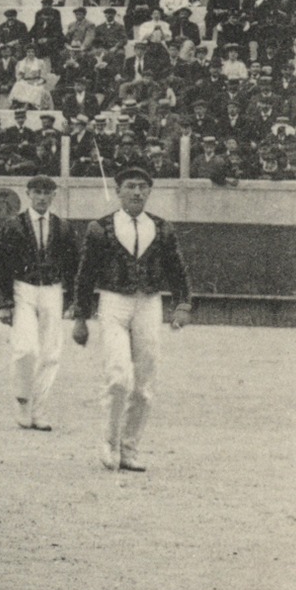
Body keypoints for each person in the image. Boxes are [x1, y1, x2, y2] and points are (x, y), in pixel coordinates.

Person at [71, 167, 193, 472]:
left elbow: (177, 269)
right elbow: (85, 275)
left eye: (142, 187)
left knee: (144, 384)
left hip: (150, 303)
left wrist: (182, 304)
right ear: (118, 191)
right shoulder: (100, 228)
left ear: (149, 192)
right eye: (130, 186)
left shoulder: (162, 228)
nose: (137, 192)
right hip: (112, 302)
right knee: (118, 377)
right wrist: (81, 317)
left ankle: (129, 448)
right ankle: (109, 442)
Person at [0, 175, 79, 432]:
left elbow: (73, 265)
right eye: (38, 192)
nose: (42, 197)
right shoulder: (14, 225)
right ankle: (23, 400)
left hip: (52, 290)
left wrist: (74, 299)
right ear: (28, 194)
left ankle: (39, 408)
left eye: (47, 193)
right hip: (23, 288)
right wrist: (5, 302)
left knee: (51, 352)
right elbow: (3, 265)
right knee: (26, 348)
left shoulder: (62, 227)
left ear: (54, 196)